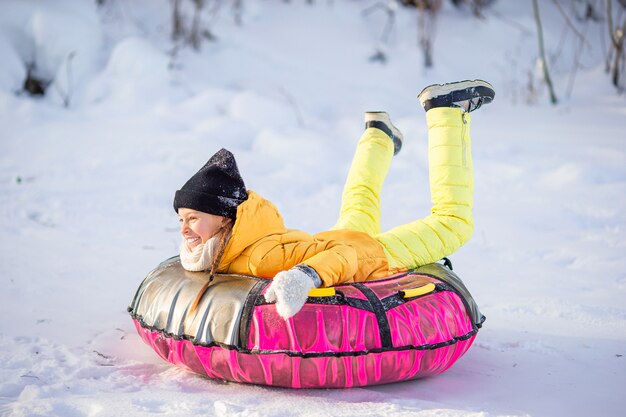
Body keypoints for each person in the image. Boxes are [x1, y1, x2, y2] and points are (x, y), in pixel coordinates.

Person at [174, 80, 495, 319]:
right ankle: (377, 135)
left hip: (368, 254)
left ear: (224, 218)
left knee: (454, 222)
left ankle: (447, 112)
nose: (185, 229)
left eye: (193, 218)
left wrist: (305, 275)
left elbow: (344, 257)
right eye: (181, 219)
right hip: (337, 238)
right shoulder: (242, 238)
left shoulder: (256, 258)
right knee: (360, 202)